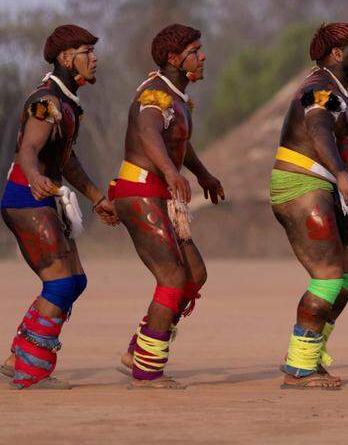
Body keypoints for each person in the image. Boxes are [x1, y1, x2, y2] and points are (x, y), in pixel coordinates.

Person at [110, 24, 224, 389]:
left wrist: (203, 175)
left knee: (194, 275)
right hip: (140, 190)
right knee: (173, 277)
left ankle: (140, 349)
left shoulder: (176, 98)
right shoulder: (155, 95)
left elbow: (178, 142)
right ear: (174, 59)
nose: (203, 55)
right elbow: (148, 133)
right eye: (195, 50)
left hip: (159, 192)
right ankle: (147, 370)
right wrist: (171, 172)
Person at [2, 26, 114, 389]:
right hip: (26, 198)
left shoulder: (66, 103)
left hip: (42, 197)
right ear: (66, 58)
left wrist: (97, 197)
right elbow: (28, 150)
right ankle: (31, 371)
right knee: (61, 283)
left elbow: (66, 161)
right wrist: (33, 175)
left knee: (75, 280)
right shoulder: (46, 100)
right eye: (86, 51)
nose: (94, 58)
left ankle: (18, 356)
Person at [271, 23, 348, 390]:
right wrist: (343, 174)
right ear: (335, 54)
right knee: (329, 276)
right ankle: (299, 368)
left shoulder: (340, 92)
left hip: (324, 186)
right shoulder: (319, 89)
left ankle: (311, 353)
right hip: (300, 185)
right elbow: (319, 129)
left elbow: (345, 138)